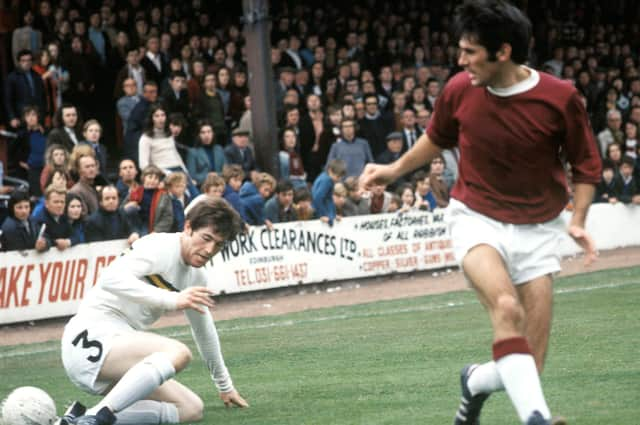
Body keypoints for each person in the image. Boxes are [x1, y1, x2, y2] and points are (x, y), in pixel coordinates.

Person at [360, 1, 601, 424]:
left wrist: (577, 220)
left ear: (502, 52)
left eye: (470, 51)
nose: (461, 60)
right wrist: (394, 169)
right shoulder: (458, 89)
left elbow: (586, 164)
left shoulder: (560, 97)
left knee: (526, 365)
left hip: (540, 228)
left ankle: (473, 383)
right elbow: (437, 138)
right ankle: (538, 420)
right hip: (476, 217)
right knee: (506, 309)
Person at [59, 198, 248, 425]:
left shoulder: (197, 276)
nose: (210, 250)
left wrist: (225, 386)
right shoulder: (159, 246)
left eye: (219, 245)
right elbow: (110, 279)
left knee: (190, 409)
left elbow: (204, 331)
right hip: (90, 336)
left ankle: (78, 419)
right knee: (178, 352)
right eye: (206, 238)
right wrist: (173, 299)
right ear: (188, 227)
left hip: (119, 351)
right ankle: (96, 416)